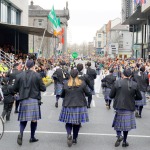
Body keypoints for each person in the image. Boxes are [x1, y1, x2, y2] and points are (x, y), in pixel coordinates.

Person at [13, 60, 46, 146]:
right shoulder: (37, 75)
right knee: (34, 120)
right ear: (33, 66)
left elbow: (14, 88)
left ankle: (21, 133)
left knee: (23, 119)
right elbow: (43, 88)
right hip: (34, 99)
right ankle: (32, 137)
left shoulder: (19, 75)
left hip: (23, 99)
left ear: (26, 66)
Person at [109, 69, 142, 147]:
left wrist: (117, 96)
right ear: (130, 76)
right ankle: (124, 141)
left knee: (118, 123)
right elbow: (139, 97)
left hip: (119, 106)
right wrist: (133, 98)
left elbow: (111, 95)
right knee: (126, 126)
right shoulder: (134, 84)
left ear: (123, 75)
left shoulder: (117, 83)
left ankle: (119, 135)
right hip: (129, 106)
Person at [59, 69, 90, 147]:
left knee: (68, 122)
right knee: (77, 123)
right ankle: (75, 139)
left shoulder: (66, 83)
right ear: (77, 75)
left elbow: (62, 95)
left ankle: (69, 134)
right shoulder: (82, 83)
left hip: (68, 104)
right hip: (79, 105)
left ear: (70, 75)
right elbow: (88, 93)